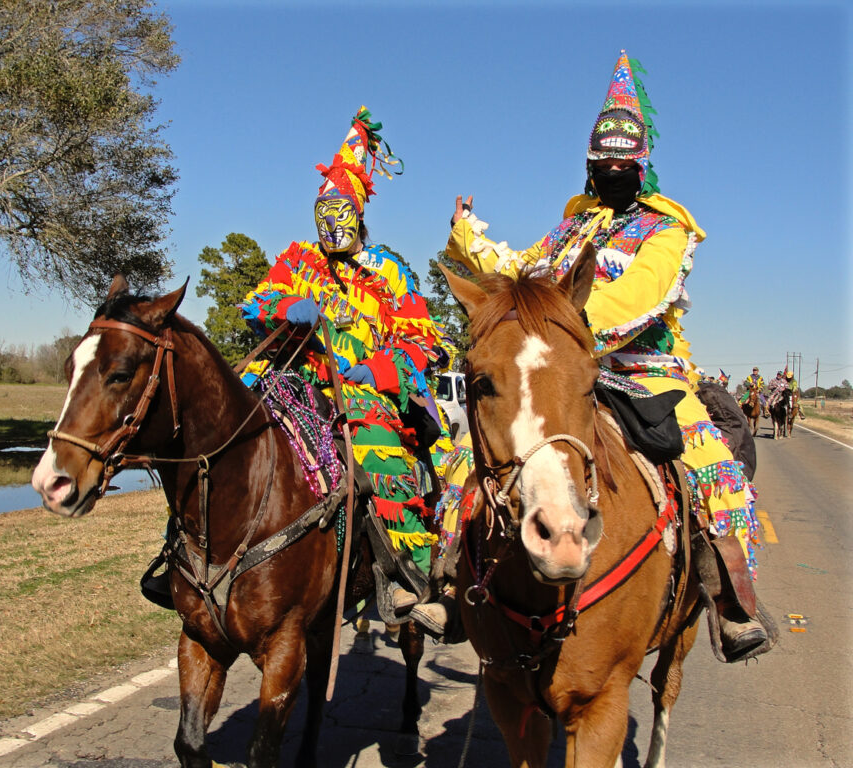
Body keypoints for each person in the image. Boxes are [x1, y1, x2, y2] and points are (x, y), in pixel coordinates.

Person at [445, 51, 773, 661]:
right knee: (468, 457)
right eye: (605, 158)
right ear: (591, 163)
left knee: (713, 468)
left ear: (642, 164)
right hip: (566, 369)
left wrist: (563, 324)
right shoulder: (572, 231)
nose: (614, 166)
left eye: (626, 158)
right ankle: (450, 583)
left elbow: (637, 295)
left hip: (650, 375)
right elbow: (525, 275)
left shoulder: (665, 229)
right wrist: (471, 240)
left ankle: (731, 603)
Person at [240, 107, 453, 631]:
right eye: (322, 213)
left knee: (377, 448)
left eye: (339, 212)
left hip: (361, 392)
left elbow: (425, 342)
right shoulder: (296, 261)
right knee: (227, 419)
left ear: (358, 214)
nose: (329, 224)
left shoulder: (390, 272)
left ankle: (412, 577)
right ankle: (188, 553)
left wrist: (379, 369)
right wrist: (283, 308)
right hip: (293, 377)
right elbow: (256, 301)